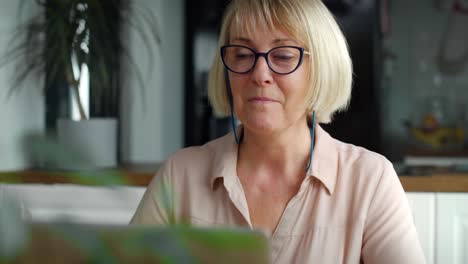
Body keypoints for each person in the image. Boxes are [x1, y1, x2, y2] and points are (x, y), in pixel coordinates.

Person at [131, 0, 426, 263]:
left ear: (321, 68)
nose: (259, 75)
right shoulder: (178, 174)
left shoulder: (370, 180)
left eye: (283, 56)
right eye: (243, 55)